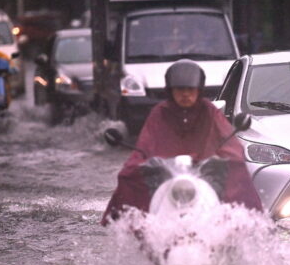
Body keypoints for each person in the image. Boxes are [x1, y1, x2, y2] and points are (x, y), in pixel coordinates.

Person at [101, 59, 263, 225]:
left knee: (239, 170)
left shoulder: (209, 112)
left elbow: (230, 145)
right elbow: (145, 146)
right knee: (127, 174)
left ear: (199, 90)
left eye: (190, 89)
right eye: (180, 89)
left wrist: (227, 159)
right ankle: (133, 226)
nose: (185, 94)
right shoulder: (159, 113)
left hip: (205, 173)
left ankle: (246, 224)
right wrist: (138, 164)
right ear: (170, 91)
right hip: (166, 174)